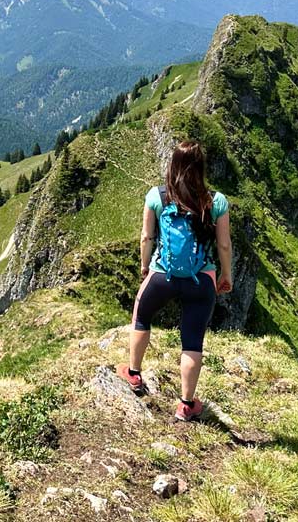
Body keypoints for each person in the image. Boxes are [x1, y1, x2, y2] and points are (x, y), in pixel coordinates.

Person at [116, 141, 233, 422]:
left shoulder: (157, 196)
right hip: (201, 278)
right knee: (192, 341)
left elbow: (147, 237)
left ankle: (133, 374)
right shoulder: (216, 201)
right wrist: (226, 274)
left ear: (173, 165)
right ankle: (186, 404)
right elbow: (224, 245)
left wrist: (145, 267)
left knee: (142, 316)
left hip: (162, 275)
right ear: (201, 167)